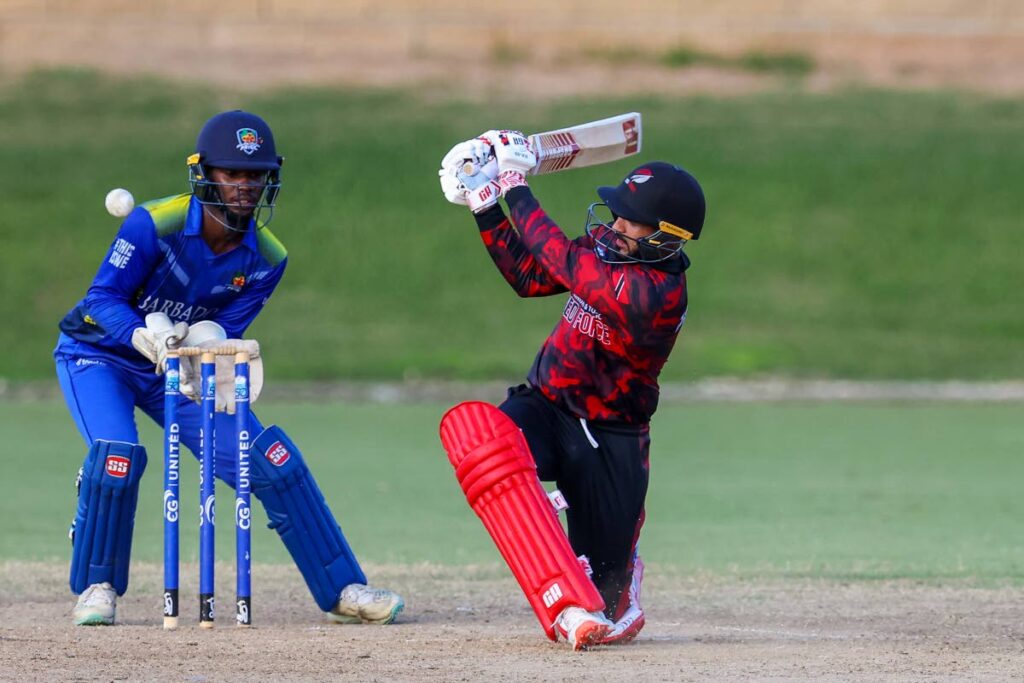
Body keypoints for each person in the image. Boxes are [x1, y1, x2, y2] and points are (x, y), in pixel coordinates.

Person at [56, 110, 403, 627]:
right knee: (118, 457)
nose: (245, 186)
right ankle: (97, 587)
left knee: (270, 460)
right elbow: (101, 298)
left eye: (255, 174)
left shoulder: (267, 257)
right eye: (232, 173)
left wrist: (207, 346)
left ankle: (343, 587)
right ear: (205, 174)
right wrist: (141, 335)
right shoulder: (154, 223)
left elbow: (224, 327)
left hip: (179, 368)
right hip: (98, 355)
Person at [437, 131, 705, 649]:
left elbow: (559, 257)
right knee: (489, 446)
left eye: (632, 220)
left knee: (607, 607)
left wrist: (515, 184)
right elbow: (528, 275)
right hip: (547, 405)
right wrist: (483, 199)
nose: (617, 224)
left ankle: (619, 572)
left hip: (612, 437)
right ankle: (554, 575)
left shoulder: (655, 295)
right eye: (619, 213)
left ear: (667, 236)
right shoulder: (609, 248)